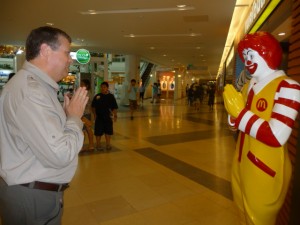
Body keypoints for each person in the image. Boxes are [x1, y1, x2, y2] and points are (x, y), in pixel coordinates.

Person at [0, 26, 88, 225]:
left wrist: (65, 118)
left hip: (31, 192)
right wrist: (74, 118)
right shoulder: (32, 91)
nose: (70, 59)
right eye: (67, 52)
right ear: (46, 51)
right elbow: (60, 154)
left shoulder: (31, 86)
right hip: (32, 197)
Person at [223, 31, 300, 225]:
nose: (247, 60)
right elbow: (237, 124)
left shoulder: (288, 87)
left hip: (265, 169)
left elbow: (276, 136)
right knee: (242, 214)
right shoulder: (249, 85)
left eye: (252, 54)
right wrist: (232, 118)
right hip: (240, 162)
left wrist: (239, 114)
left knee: (259, 220)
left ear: (268, 53)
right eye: (245, 56)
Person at [92, 81, 118, 151]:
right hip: (99, 117)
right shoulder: (97, 96)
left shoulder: (111, 96)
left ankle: (108, 144)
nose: (103, 88)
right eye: (102, 87)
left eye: (104, 87)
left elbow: (115, 107)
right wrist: (95, 115)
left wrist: (115, 115)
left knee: (108, 131)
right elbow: (93, 107)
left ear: (107, 88)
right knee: (98, 132)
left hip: (108, 117)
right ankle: (98, 144)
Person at [80, 79, 95, 152]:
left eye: (82, 84)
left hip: (86, 114)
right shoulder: (82, 92)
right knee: (82, 131)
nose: (81, 85)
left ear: (87, 85)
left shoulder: (88, 93)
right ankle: (82, 146)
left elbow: (88, 104)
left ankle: (91, 145)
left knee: (88, 129)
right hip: (81, 114)